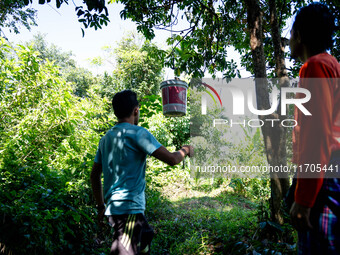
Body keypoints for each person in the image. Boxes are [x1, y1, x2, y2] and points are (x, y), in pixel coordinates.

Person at [90, 89, 193, 255]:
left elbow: (94, 176)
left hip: (115, 208)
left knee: (145, 237)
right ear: (135, 110)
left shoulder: (106, 138)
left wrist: (101, 206)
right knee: (124, 251)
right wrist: (185, 150)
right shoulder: (138, 133)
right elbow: (172, 159)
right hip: (129, 209)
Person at [289, 2, 340, 254]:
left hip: (324, 179)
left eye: (290, 33)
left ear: (298, 35)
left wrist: (304, 199)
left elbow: (318, 136)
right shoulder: (333, 66)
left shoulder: (315, 67)